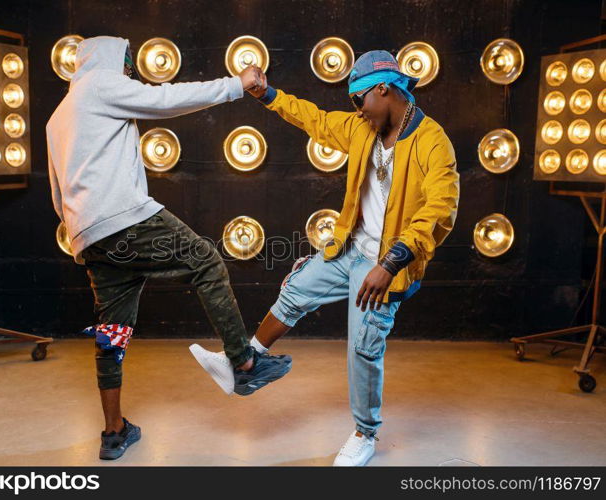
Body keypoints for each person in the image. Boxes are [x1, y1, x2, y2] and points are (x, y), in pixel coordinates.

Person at [191, 50, 460, 466]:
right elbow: (314, 119)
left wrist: (389, 265)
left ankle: (365, 434)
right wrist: (267, 95)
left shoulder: (432, 142)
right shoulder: (362, 128)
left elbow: (440, 208)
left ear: (384, 90)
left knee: (363, 349)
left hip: (385, 266)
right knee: (295, 290)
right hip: (349, 249)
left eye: (359, 100)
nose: (356, 110)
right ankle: (244, 365)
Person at [46, 36, 292, 461]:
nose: (129, 69)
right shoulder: (100, 84)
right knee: (206, 261)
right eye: (126, 61)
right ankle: (243, 364)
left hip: (90, 237)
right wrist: (236, 84)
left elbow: (56, 189)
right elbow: (165, 99)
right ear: (109, 60)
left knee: (112, 334)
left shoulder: (57, 118)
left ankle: (113, 432)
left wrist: (82, 235)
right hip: (123, 218)